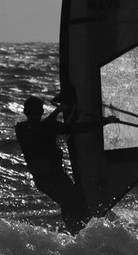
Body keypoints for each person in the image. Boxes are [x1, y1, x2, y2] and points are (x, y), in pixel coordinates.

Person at [14, 95, 88, 232]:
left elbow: (43, 127)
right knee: (73, 203)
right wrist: (105, 121)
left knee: (68, 203)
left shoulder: (21, 129)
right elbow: (77, 128)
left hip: (41, 181)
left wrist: (58, 111)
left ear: (25, 112)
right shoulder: (47, 128)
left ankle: (74, 230)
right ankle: (76, 231)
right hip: (55, 178)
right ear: (42, 112)